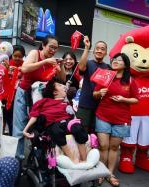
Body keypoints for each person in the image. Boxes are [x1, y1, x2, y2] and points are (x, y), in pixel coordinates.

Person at [13, 35, 66, 157]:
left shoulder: (53, 61)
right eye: (51, 47)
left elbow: (62, 79)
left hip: (40, 98)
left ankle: (37, 159)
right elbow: (24, 69)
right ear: (43, 45)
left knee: (40, 129)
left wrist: (61, 65)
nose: (53, 50)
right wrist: (45, 61)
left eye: (56, 48)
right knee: (19, 128)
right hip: (24, 93)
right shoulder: (35, 53)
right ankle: (18, 160)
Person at [93, 53, 138, 186]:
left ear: (125, 64)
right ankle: (101, 173)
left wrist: (124, 99)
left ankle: (109, 173)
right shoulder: (106, 76)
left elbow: (136, 99)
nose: (115, 62)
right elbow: (94, 94)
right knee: (103, 146)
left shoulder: (130, 80)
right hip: (103, 115)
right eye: (114, 59)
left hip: (122, 119)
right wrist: (99, 93)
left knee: (113, 147)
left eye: (119, 60)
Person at [22, 78, 88, 163]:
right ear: (55, 92)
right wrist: (25, 130)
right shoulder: (44, 102)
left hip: (67, 122)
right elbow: (34, 115)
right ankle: (73, 159)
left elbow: (73, 116)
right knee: (55, 130)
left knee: (78, 127)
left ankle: (84, 160)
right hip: (53, 123)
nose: (64, 87)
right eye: (60, 85)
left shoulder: (66, 103)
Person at [77, 36, 110, 133]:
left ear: (106, 53)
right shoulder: (88, 63)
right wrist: (86, 48)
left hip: (100, 106)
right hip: (85, 104)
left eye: (102, 49)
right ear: (94, 51)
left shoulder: (108, 68)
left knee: (95, 133)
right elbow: (81, 67)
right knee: (82, 132)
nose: (99, 51)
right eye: (97, 48)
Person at [3, 45, 26, 136]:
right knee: (5, 116)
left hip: (19, 97)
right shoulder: (6, 63)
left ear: (23, 56)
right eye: (15, 56)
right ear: (11, 55)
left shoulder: (25, 65)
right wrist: (7, 71)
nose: (17, 58)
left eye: (19, 56)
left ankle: (13, 136)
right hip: (7, 96)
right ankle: (1, 135)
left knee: (14, 119)